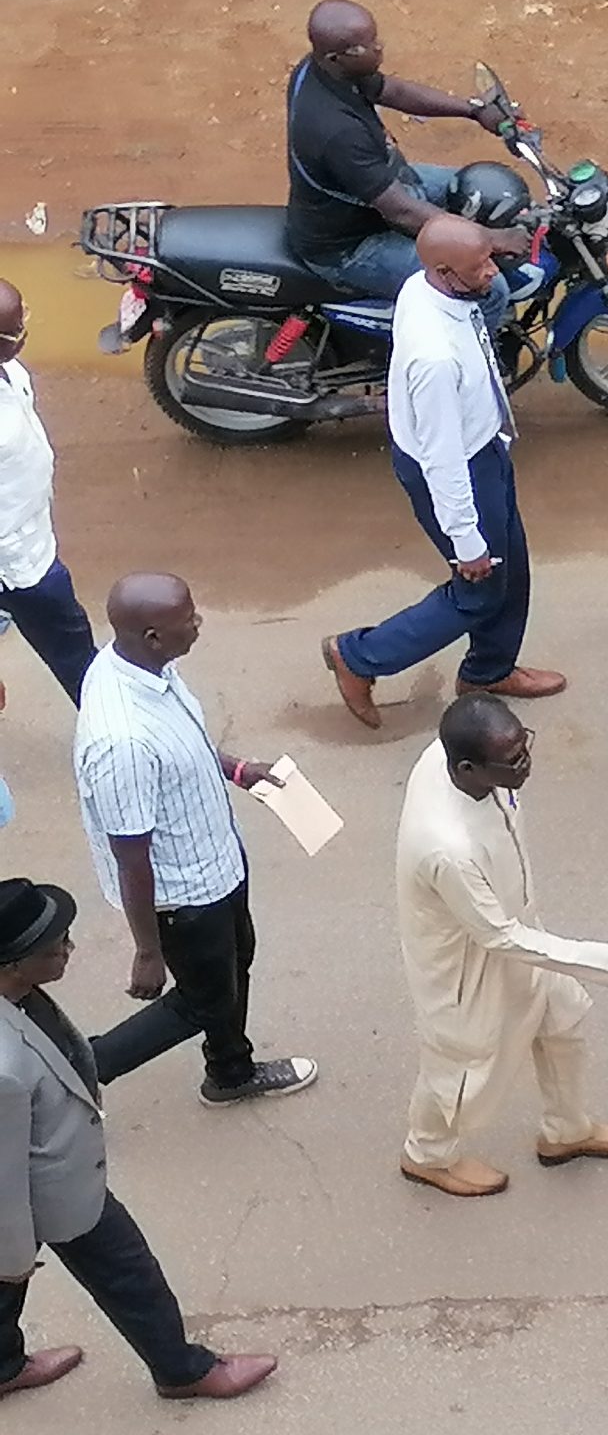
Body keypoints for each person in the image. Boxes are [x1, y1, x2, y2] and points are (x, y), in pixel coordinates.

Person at [0, 877, 275, 1402]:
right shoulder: (4, 1068)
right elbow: (2, 1177)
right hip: (55, 1189)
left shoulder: (20, 994)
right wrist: (11, 1254)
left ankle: (2, 1364)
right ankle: (182, 1370)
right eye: (55, 945)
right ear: (13, 964)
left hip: (38, 1181)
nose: (69, 949)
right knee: (130, 1274)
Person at [396, 695, 608, 1198]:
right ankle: (425, 1155)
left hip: (525, 934)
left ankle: (568, 1131)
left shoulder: (455, 760)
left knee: (564, 1025)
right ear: (467, 767)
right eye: (512, 760)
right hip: (471, 965)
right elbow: (498, 938)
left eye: (523, 746)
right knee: (463, 1067)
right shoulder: (448, 847)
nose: (526, 763)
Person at [76, 574, 316, 1105]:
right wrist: (147, 949)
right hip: (185, 899)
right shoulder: (122, 740)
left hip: (218, 862)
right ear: (153, 635)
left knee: (236, 963)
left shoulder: (148, 665)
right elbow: (130, 855)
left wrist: (234, 769)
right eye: (190, 619)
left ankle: (231, 1071)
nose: (200, 623)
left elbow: (184, 743)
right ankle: (80, 1070)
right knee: (202, 1000)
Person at [322, 216, 565, 727]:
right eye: (479, 267)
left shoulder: (429, 286)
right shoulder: (434, 361)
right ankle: (360, 656)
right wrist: (466, 540)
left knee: (512, 566)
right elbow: (442, 458)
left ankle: (489, 670)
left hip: (484, 449)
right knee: (480, 586)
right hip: (458, 469)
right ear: (443, 271)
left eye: (489, 258)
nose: (492, 273)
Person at [284, 0, 518, 336]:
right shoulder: (336, 131)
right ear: (336, 57)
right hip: (352, 245)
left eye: (376, 38)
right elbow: (401, 212)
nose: (379, 48)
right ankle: (476, 367)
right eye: (366, 46)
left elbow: (390, 90)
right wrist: (489, 240)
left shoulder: (323, 68)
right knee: (490, 290)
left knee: (479, 186)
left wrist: (474, 110)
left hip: (389, 184)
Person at [0, 279, 98, 705]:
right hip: (21, 561)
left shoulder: (10, 368)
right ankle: (112, 718)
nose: (25, 332)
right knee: (74, 651)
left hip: (26, 528)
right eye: (16, 328)